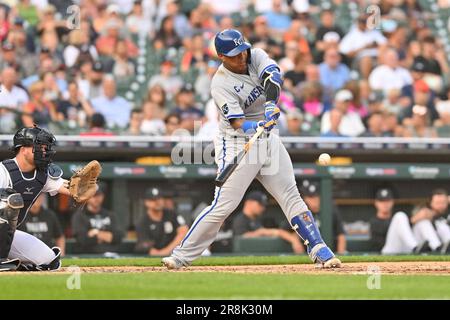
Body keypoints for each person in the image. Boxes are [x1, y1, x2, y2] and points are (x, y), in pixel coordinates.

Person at [162, 29, 341, 269]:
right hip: (237, 141)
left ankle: (320, 249)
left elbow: (274, 77)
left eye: (242, 51)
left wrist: (269, 105)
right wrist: (257, 123)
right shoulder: (220, 83)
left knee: (290, 194)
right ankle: (181, 255)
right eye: (234, 55)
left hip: (267, 138)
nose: (241, 57)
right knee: (224, 205)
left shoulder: (255, 55)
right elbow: (237, 123)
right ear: (222, 57)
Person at [0, 126, 80, 271]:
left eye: (45, 148)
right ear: (23, 149)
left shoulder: (43, 174)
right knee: (7, 199)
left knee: (49, 261)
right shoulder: (3, 171)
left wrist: (86, 187)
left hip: (6, 235)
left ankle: (11, 264)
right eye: (40, 147)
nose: (44, 152)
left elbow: (73, 190)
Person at [232, 191, 303, 254]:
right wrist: (262, 232)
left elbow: (275, 232)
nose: (263, 208)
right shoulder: (240, 220)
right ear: (249, 203)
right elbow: (241, 238)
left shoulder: (257, 219)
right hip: (242, 255)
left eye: (263, 205)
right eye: (260, 204)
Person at [71, 182, 123, 254]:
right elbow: (82, 240)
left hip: (112, 254)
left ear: (103, 196)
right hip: (88, 256)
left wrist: (96, 233)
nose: (96, 198)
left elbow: (118, 238)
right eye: (93, 195)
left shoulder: (110, 215)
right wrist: (107, 236)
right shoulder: (80, 216)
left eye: (98, 195)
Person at [135, 187, 188, 256]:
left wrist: (167, 251)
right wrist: (161, 254)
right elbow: (147, 247)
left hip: (177, 253)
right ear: (146, 202)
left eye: (159, 198)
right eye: (153, 199)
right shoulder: (142, 222)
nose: (157, 202)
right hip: (156, 256)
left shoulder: (172, 214)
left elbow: (184, 231)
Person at [301, 184, 346, 254]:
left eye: (315, 197)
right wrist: (294, 240)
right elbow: (280, 230)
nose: (313, 200)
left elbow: (341, 234)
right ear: (305, 199)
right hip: (308, 255)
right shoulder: (302, 212)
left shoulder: (330, 209)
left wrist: (341, 254)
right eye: (310, 197)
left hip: (332, 252)